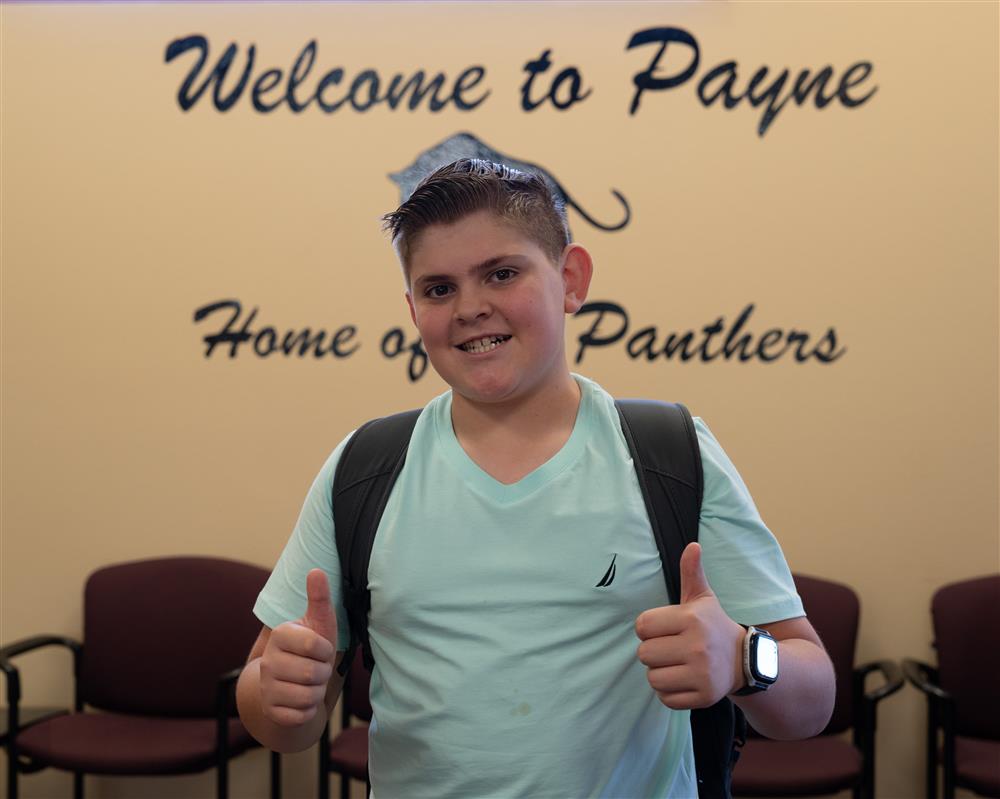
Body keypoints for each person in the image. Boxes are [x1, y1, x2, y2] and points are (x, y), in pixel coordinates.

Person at [236, 159, 836, 798]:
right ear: (413, 310)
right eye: (439, 289)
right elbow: (276, 715)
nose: (471, 308)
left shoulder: (671, 455)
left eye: (501, 273)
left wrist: (742, 658)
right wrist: (278, 698)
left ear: (571, 279)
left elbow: (812, 700)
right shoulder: (366, 469)